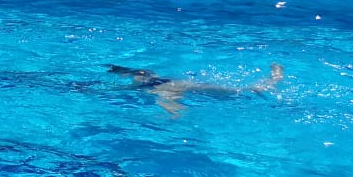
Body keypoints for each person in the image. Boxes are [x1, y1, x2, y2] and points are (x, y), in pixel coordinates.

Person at [108, 62, 284, 118]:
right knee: (240, 90)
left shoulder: (147, 83)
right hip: (184, 85)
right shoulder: (150, 76)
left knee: (242, 91)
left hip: (174, 88)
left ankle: (274, 80)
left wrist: (173, 114)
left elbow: (171, 101)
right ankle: (274, 79)